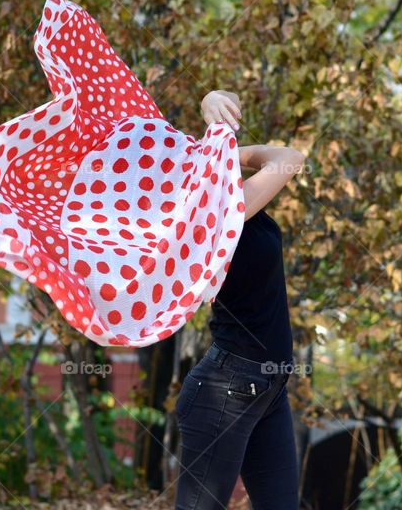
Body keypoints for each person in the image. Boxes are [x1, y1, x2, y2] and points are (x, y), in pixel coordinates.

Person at [173, 90, 306, 510]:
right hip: (226, 388)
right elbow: (289, 157)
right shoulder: (228, 210)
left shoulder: (239, 203)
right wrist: (225, 147)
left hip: (267, 385)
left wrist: (212, 108)